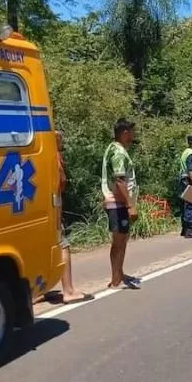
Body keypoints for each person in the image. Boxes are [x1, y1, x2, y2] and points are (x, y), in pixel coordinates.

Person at [54, 131, 94, 304]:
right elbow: (60, 182)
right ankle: (68, 290)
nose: (62, 142)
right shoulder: (53, 157)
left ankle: (36, 292)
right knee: (63, 245)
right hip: (53, 208)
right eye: (60, 140)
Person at [101, 118, 141, 289]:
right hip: (118, 204)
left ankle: (119, 272)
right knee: (118, 241)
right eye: (131, 132)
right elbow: (119, 181)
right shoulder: (118, 152)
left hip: (119, 202)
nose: (133, 135)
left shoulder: (115, 148)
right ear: (125, 133)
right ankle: (115, 278)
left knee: (123, 239)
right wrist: (130, 205)